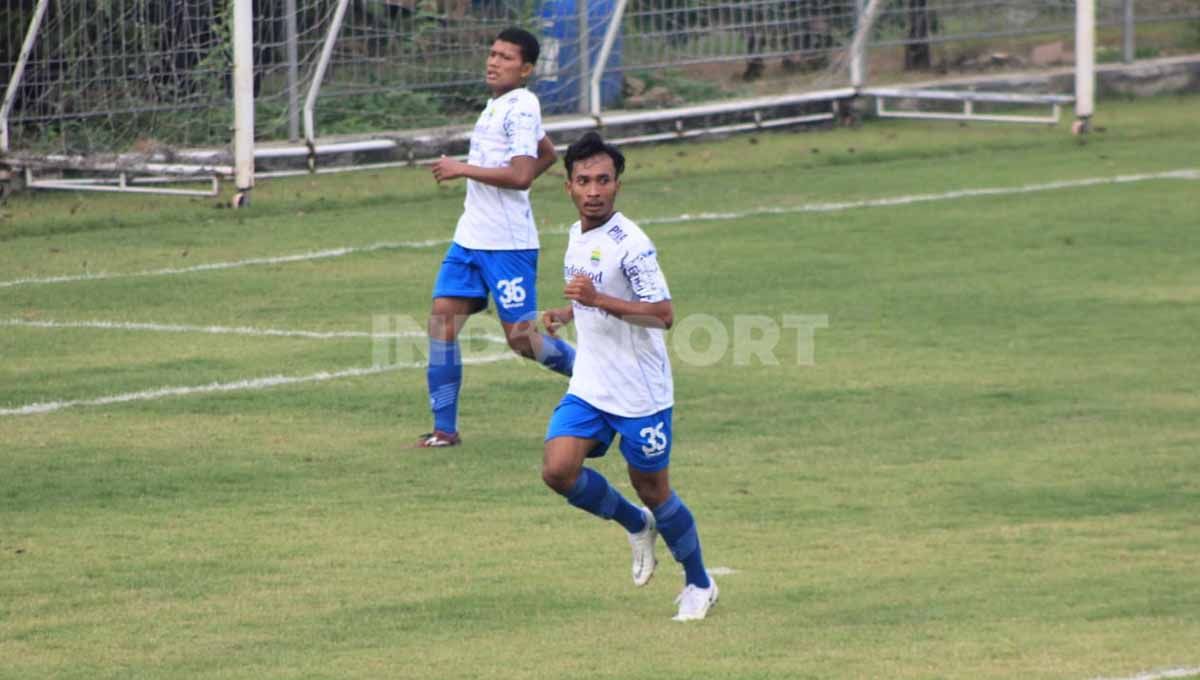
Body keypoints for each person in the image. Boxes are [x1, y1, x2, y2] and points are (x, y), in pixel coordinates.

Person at [539, 132, 718, 621]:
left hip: (641, 393)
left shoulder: (632, 245)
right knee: (557, 470)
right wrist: (569, 311)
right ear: (568, 187)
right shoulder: (578, 236)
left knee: (655, 490)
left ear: (617, 185)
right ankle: (633, 524)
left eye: (603, 180)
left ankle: (700, 583)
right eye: (583, 181)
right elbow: (591, 295)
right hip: (592, 384)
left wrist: (598, 302)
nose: (593, 190)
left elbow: (662, 314)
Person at [418, 27, 576, 448]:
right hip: (470, 239)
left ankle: (602, 380)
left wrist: (462, 169)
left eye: (506, 57)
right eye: (492, 53)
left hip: (507, 246)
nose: (493, 61)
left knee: (522, 341)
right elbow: (547, 155)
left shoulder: (522, 106)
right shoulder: (498, 105)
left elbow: (522, 175)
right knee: (442, 320)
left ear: (525, 69)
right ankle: (444, 431)